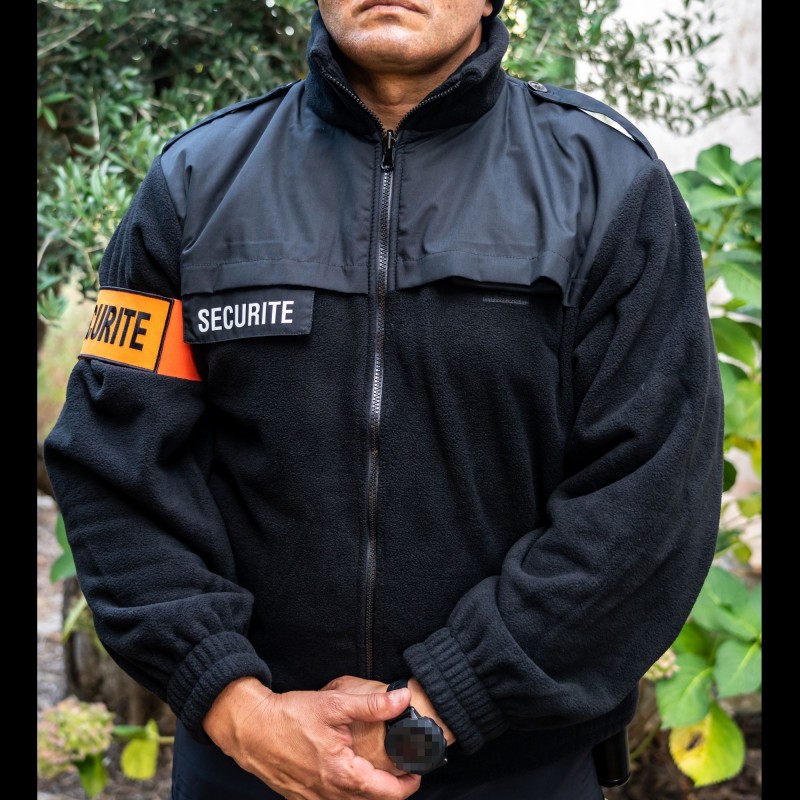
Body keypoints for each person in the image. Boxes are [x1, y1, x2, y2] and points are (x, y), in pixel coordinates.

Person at [43, 0, 725, 798]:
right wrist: (236, 705)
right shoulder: (195, 185)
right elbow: (115, 467)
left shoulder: (610, 188)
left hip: (517, 770)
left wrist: (441, 705)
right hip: (251, 764)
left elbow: (649, 496)